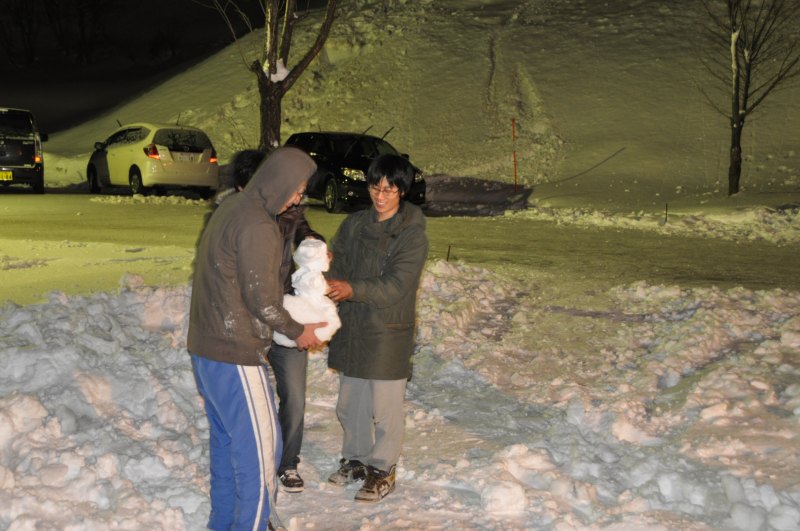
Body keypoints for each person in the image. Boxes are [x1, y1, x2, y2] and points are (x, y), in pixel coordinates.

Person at [188, 146, 326, 531]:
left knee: (230, 447)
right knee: (262, 453)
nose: (299, 197)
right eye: (298, 188)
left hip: (207, 350)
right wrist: (299, 332)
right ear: (279, 181)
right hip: (235, 353)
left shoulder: (231, 208)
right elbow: (262, 300)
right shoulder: (258, 225)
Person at [325, 153, 429, 503]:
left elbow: (396, 284)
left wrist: (352, 289)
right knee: (350, 402)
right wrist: (322, 275)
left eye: (389, 189)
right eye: (374, 187)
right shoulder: (354, 224)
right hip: (352, 324)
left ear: (402, 191)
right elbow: (336, 259)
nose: (380, 196)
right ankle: (355, 458)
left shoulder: (411, 234)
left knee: (385, 407)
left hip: (387, 329)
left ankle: (382, 469)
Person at [221, 149, 326, 494]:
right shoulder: (233, 218)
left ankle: (287, 463)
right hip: (246, 320)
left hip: (283, 312)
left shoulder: (288, 209)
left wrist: (314, 244)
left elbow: (307, 232)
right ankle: (251, 463)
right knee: (251, 400)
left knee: (293, 395)